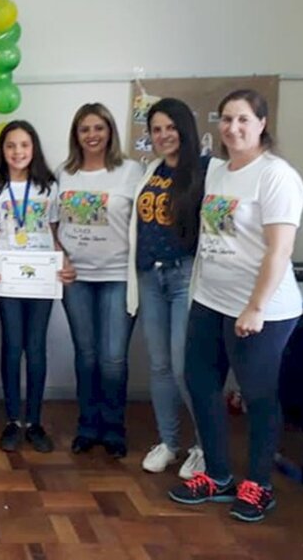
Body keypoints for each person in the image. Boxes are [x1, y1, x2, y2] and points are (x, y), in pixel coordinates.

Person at [169, 89, 303, 523]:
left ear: (262, 123)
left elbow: (279, 251)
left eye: (244, 119)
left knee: (258, 394)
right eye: (227, 119)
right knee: (199, 382)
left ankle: (259, 485)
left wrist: (256, 306)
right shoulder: (219, 172)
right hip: (211, 300)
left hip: (262, 307)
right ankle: (219, 475)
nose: (233, 128)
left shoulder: (277, 176)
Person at [56, 102, 143, 459]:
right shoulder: (64, 173)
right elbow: (51, 224)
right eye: (84, 129)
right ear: (76, 136)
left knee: (113, 359)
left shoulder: (132, 171)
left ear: (110, 131)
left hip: (118, 276)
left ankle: (114, 427)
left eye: (99, 128)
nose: (92, 135)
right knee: (86, 355)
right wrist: (60, 255)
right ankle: (87, 426)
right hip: (75, 277)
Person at [127, 98, 207, 479]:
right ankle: (169, 442)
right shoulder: (151, 171)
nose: (163, 136)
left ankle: (205, 446)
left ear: (184, 129)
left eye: (170, 127)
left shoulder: (207, 171)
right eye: (156, 130)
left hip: (185, 277)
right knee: (158, 366)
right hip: (149, 276)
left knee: (181, 366)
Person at [0, 121, 67, 454]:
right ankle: (12, 420)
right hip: (8, 277)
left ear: (34, 150)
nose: (18, 152)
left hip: (43, 277)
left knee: (36, 347)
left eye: (24, 146)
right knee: (12, 344)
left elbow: (56, 230)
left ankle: (34, 421)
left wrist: (65, 263)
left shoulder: (49, 187)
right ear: (2, 151)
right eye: (11, 146)